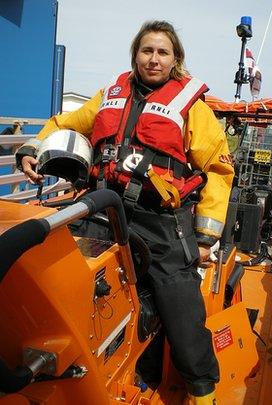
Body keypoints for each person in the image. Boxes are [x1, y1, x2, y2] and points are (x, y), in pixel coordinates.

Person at [16, 20, 234, 405]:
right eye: (146, 50)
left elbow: (218, 169)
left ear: (175, 60)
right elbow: (63, 124)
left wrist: (204, 238)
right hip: (102, 208)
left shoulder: (192, 108)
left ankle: (203, 390)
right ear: (135, 55)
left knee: (181, 310)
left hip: (161, 222)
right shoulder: (109, 96)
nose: (153, 59)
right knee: (63, 278)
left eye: (162, 52)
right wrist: (32, 148)